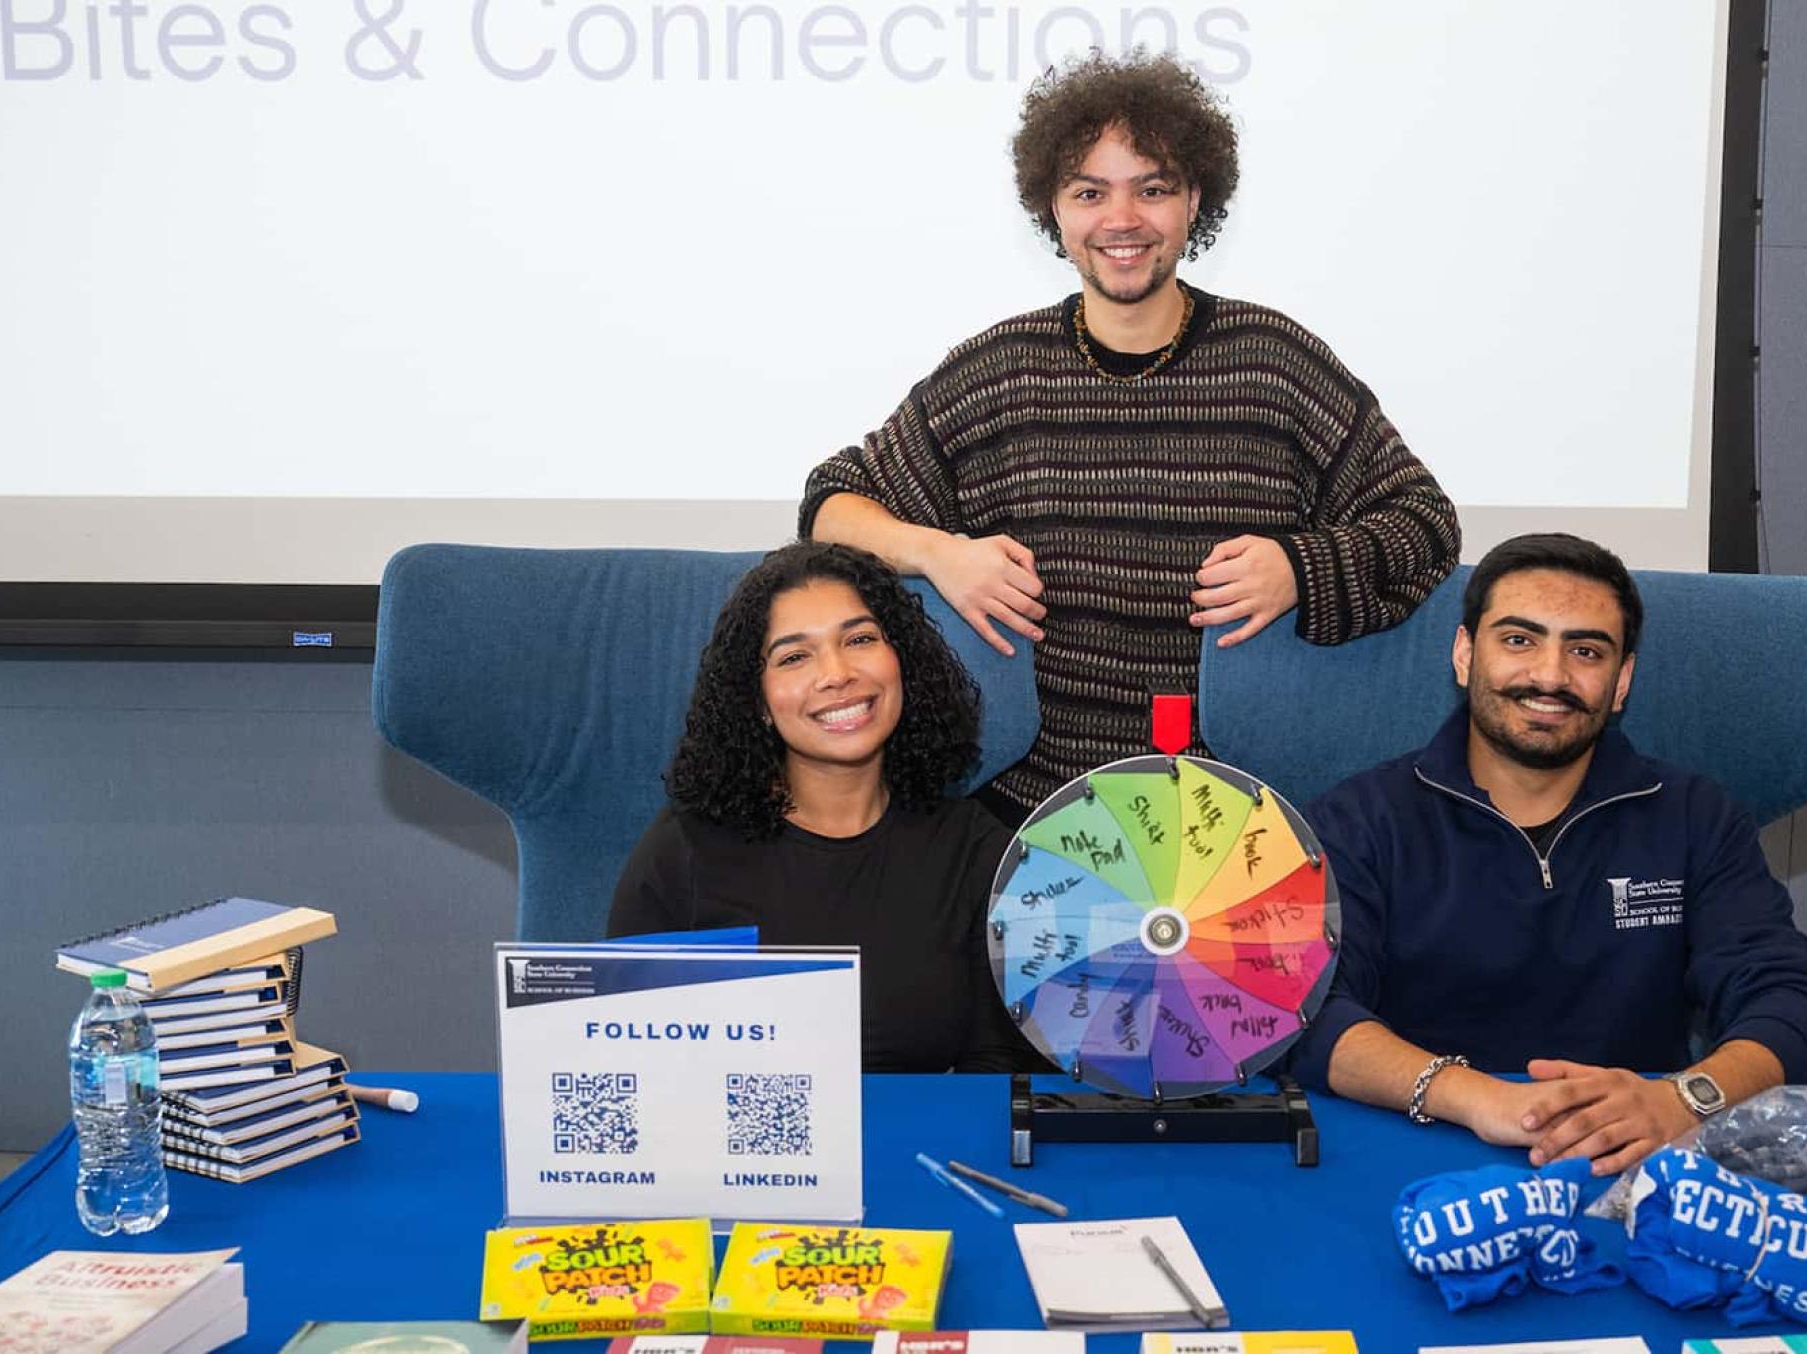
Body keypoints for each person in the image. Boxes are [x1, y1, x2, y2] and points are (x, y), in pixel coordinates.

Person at [803, 48, 1460, 818]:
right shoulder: (998, 373)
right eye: (1091, 192)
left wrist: (1299, 567)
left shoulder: (1275, 365)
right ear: (1054, 209)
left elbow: (1426, 524)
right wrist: (940, 553)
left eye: (1153, 189)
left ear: (1194, 201)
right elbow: (830, 507)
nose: (1122, 220)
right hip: (1028, 821)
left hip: (1227, 823)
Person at [1288, 533, 1807, 1174]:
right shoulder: (1361, 818)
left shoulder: (1695, 816)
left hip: (1632, 1161)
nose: (1549, 676)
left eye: (1586, 650)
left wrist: (1684, 1098)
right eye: (1519, 640)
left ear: (1622, 680)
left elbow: (1792, 999)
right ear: (1464, 655)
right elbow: (1305, 1007)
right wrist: (1477, 1097)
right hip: (1416, 1148)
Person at [606, 542, 1035, 1074]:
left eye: (859, 639)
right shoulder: (685, 851)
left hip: (917, 1150)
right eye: (794, 656)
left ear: (901, 661)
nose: (836, 673)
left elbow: (998, 1072)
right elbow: (627, 1057)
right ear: (758, 701)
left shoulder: (974, 850)